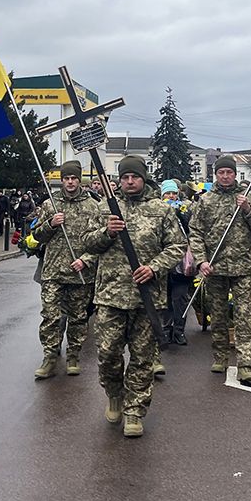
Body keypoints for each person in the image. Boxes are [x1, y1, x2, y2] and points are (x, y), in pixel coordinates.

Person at [81, 156, 186, 438]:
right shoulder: (105, 208)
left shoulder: (161, 210)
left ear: (143, 179)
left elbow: (178, 246)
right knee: (107, 354)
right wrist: (107, 232)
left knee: (142, 359)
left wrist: (154, 267)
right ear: (119, 180)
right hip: (110, 295)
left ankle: (134, 412)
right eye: (125, 177)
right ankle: (115, 394)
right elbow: (87, 242)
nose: (129, 181)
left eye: (135, 177)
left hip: (147, 299)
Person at [189, 154, 251, 384]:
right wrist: (201, 261)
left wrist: (247, 209)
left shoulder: (248, 198)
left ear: (235, 174)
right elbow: (195, 233)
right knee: (218, 315)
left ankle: (245, 363)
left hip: (243, 267)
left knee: (245, 317)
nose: (225, 176)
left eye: (229, 172)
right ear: (216, 175)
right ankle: (221, 355)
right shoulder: (206, 200)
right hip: (215, 267)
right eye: (221, 172)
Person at [31, 161, 99, 379]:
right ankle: (50, 356)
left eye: (74, 178)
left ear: (80, 180)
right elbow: (37, 236)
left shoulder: (92, 205)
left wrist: (86, 260)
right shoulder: (50, 204)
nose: (70, 182)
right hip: (52, 272)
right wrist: (50, 223)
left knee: (78, 318)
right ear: (61, 181)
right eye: (66, 179)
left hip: (79, 273)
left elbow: (99, 241)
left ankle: (73, 356)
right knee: (50, 316)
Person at [160, 179, 193, 346]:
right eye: (167, 193)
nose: (171, 196)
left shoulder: (185, 209)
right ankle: (166, 330)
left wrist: (182, 216)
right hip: (163, 264)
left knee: (180, 299)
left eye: (173, 193)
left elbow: (192, 231)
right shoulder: (157, 211)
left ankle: (179, 330)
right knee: (165, 299)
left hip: (181, 264)